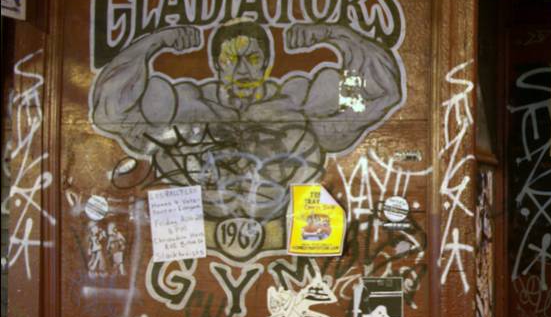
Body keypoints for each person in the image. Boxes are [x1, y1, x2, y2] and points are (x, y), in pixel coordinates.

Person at [90, 20, 404, 221]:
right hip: (191, 241)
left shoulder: (299, 101)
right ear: (216, 64)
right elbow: (111, 113)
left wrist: (335, 35)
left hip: (295, 239)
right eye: (230, 60)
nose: (241, 70)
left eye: (252, 59)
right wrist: (153, 43)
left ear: (266, 63)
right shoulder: (184, 104)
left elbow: (381, 92)